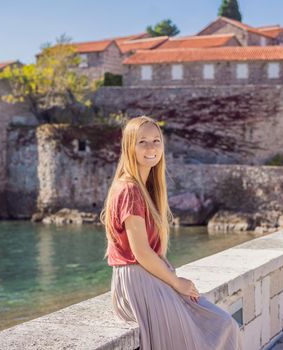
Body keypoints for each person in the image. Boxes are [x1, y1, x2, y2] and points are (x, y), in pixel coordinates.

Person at [100, 116, 242, 350]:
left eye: (156, 140)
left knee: (224, 324)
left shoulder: (145, 189)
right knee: (207, 334)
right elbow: (142, 252)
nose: (151, 147)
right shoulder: (129, 189)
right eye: (142, 141)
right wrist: (177, 282)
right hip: (138, 281)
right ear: (129, 147)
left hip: (150, 276)